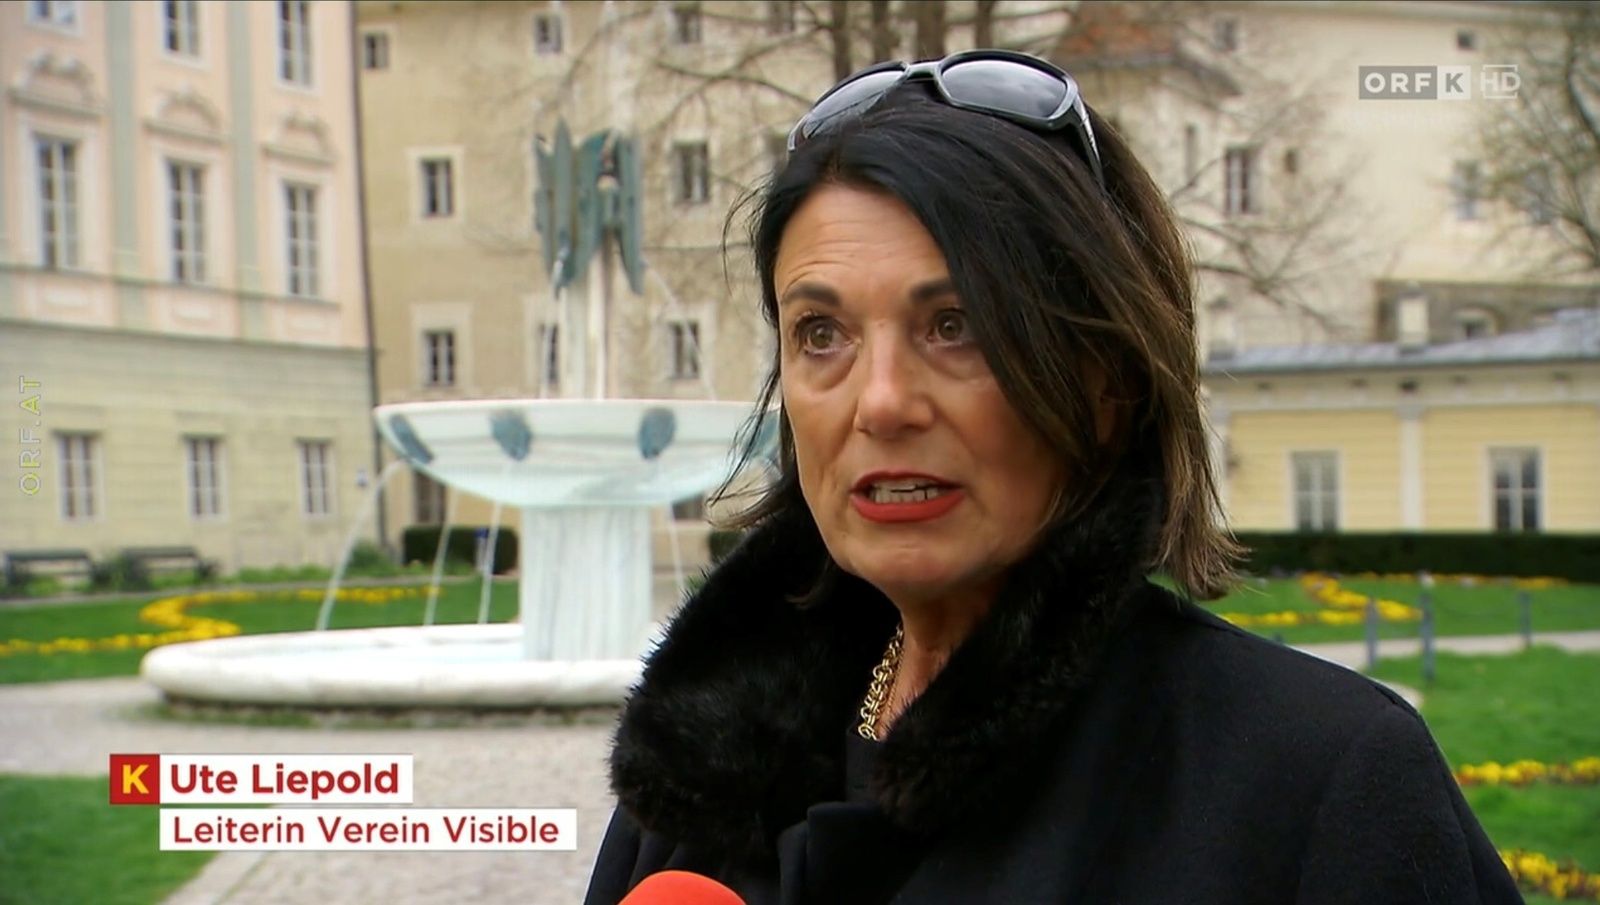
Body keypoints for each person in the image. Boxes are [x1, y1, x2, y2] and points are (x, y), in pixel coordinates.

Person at [585, 50, 1523, 905]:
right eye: (820, 333)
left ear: (1107, 380)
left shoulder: (1315, 780)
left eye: (955, 325)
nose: (881, 402)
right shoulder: (708, 763)